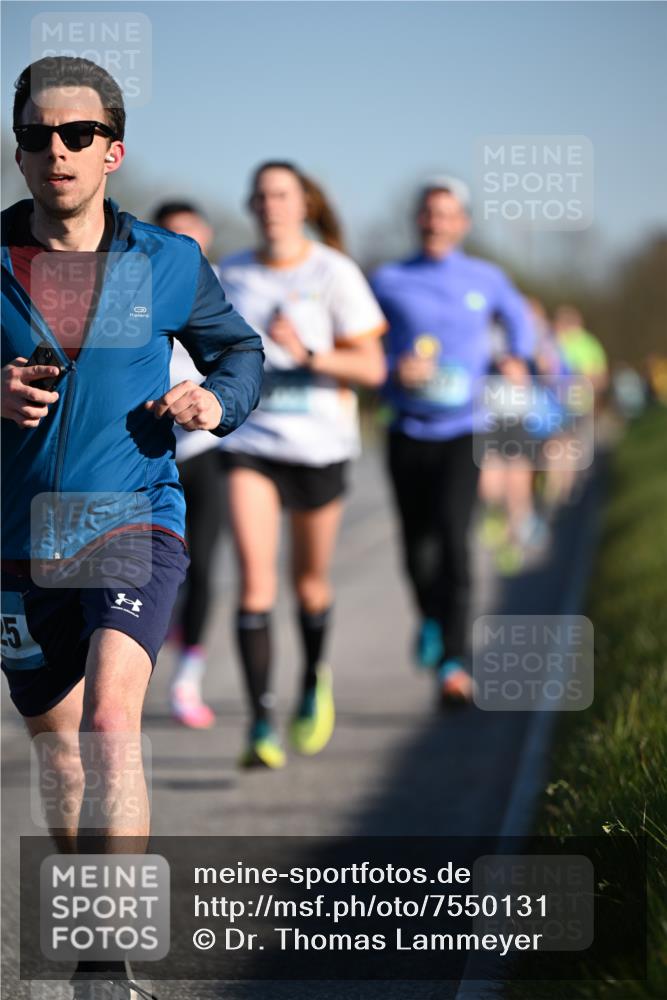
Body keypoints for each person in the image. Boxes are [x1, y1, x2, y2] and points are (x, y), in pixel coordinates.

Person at [1, 57, 263, 997]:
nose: (55, 152)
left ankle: (106, 966)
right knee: (60, 744)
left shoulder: (168, 260)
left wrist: (214, 399)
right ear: (20, 151)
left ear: (112, 150)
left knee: (112, 722)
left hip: (132, 516)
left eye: (76, 135)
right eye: (36, 136)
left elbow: (239, 348)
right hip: (15, 538)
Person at [218, 160, 386, 768]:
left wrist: (308, 353)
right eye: (260, 195)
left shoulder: (333, 272)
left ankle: (314, 678)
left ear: (304, 204)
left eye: (282, 194)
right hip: (250, 445)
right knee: (255, 583)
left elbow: (372, 368)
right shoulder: (228, 274)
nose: (270, 205)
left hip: (319, 447)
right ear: (251, 205)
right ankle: (260, 722)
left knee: (308, 584)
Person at [371, 176, 534, 703]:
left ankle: (456, 662)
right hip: (405, 429)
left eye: (448, 214)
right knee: (416, 547)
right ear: (418, 220)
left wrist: (515, 357)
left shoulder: (486, 277)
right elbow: (363, 341)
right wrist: (397, 368)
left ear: (462, 222)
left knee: (455, 538)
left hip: (465, 428)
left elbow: (520, 322)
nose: (437, 222)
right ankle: (430, 620)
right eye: (429, 213)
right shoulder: (389, 279)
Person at [152, 201, 225, 729]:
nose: (184, 249)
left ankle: (187, 681)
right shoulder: (130, 284)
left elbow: (245, 354)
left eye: (192, 239)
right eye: (173, 237)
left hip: (204, 450)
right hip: (146, 450)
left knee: (202, 566)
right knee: (150, 570)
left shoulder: (220, 287)